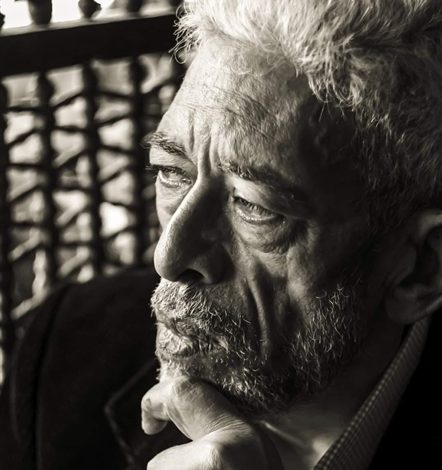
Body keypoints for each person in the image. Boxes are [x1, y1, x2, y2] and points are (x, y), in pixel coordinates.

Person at [1, 0, 442, 468]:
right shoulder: (64, 353)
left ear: (420, 268)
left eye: (254, 206)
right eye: (172, 172)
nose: (169, 256)